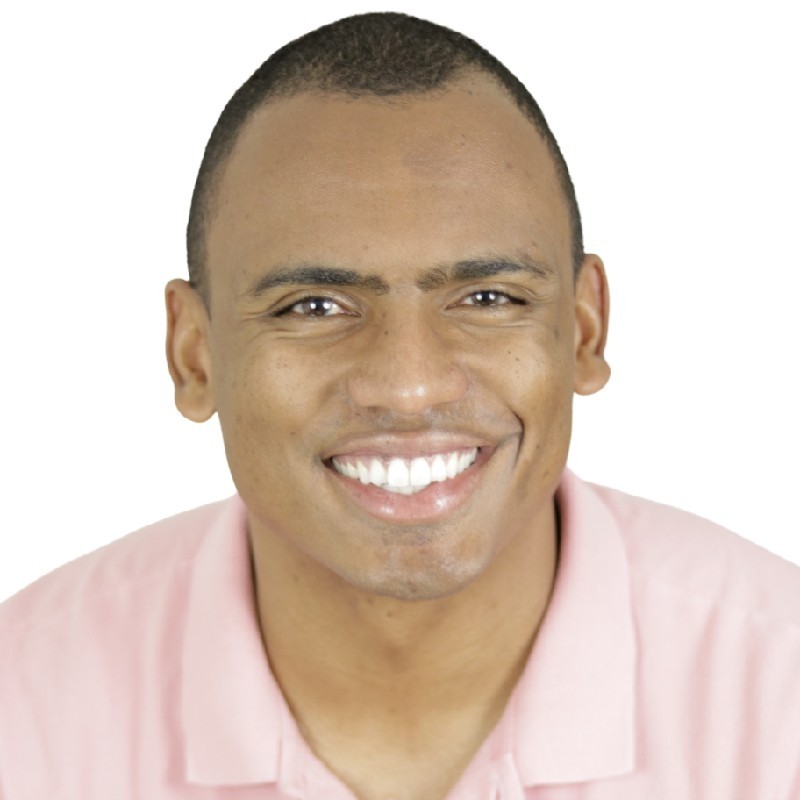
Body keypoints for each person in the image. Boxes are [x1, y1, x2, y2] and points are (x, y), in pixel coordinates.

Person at [1, 11, 798, 799]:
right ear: (194, 354)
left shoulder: (779, 691)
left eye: (487, 298)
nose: (410, 387)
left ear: (584, 330)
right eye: (314, 307)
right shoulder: (23, 705)